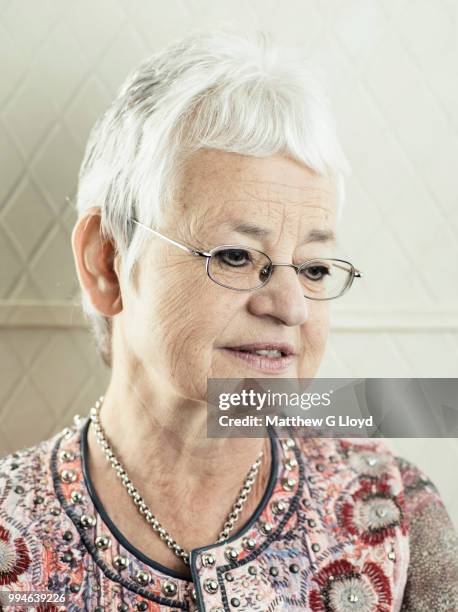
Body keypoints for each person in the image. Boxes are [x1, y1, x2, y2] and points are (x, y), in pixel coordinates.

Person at [0, 30, 457, 612]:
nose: (291, 308)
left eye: (314, 268)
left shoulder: (395, 512)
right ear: (107, 264)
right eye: (236, 256)